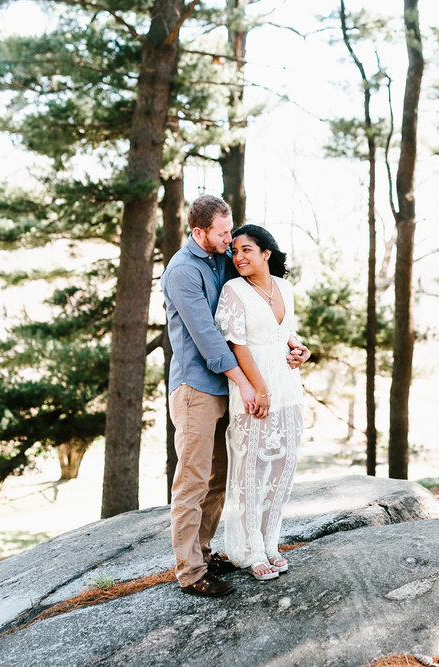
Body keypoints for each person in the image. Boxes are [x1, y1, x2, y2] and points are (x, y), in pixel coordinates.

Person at [161, 195, 307, 597]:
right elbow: (209, 336)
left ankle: (205, 552)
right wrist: (245, 382)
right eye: (223, 234)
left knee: (222, 477)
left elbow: (257, 312)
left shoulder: (222, 258)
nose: (230, 241)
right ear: (199, 232)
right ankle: (190, 572)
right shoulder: (182, 272)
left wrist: (291, 343)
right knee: (192, 480)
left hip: (230, 387)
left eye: (232, 233)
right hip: (197, 388)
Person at [215, 224, 309, 581]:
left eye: (246, 250)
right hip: (255, 389)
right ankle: (249, 549)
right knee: (251, 470)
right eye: (234, 251)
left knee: (284, 463)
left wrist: (303, 350)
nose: (237, 257)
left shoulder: (284, 287)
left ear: (266, 254)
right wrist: (261, 389)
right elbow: (237, 345)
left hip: (288, 386)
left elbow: (286, 334)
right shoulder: (233, 290)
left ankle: (271, 542)